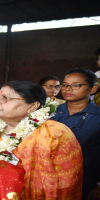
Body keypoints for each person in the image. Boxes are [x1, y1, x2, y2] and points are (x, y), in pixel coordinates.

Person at [51, 68, 100, 200]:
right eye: (65, 85)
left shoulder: (97, 117)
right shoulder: (51, 112)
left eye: (76, 85)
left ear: (93, 89)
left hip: (84, 181)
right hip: (49, 178)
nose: (68, 89)